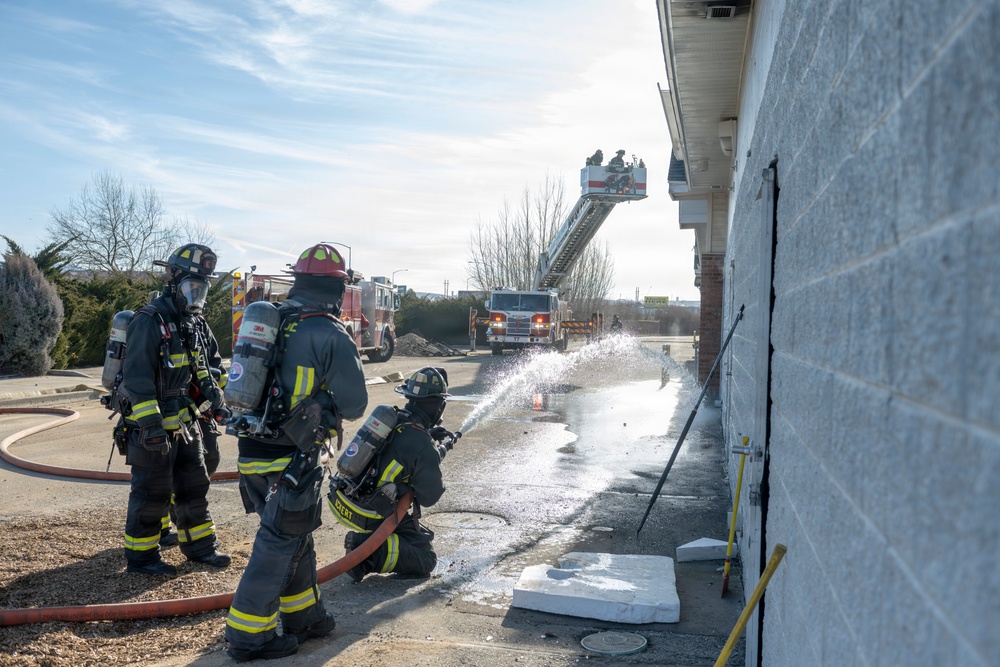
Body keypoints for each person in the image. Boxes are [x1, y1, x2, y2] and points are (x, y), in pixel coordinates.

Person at [224, 243, 368, 663]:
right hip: (292, 459)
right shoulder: (329, 332)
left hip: (252, 451)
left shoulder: (274, 319)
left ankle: (306, 618)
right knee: (277, 543)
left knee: (294, 535)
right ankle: (249, 636)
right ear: (337, 290)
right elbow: (356, 404)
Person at [118, 243, 231, 576]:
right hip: (150, 430)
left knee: (194, 486)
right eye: (191, 286)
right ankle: (142, 559)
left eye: (202, 287)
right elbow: (136, 379)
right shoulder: (150, 320)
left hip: (186, 424)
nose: (196, 294)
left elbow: (211, 368)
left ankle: (200, 549)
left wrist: (218, 402)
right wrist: (151, 427)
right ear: (174, 280)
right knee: (152, 493)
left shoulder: (196, 324)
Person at [329, 367, 457, 585]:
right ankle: (365, 555)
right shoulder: (423, 446)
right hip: (365, 513)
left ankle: (368, 547)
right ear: (438, 404)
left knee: (419, 537)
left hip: (340, 498)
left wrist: (428, 437)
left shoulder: (392, 419)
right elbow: (429, 497)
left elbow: (400, 444)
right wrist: (429, 455)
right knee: (426, 558)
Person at [161, 315, 227, 547]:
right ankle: (164, 526)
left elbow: (215, 365)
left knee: (210, 456)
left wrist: (220, 401)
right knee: (163, 471)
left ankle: (183, 516)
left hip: (199, 406)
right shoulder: (157, 324)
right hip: (168, 408)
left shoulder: (200, 326)